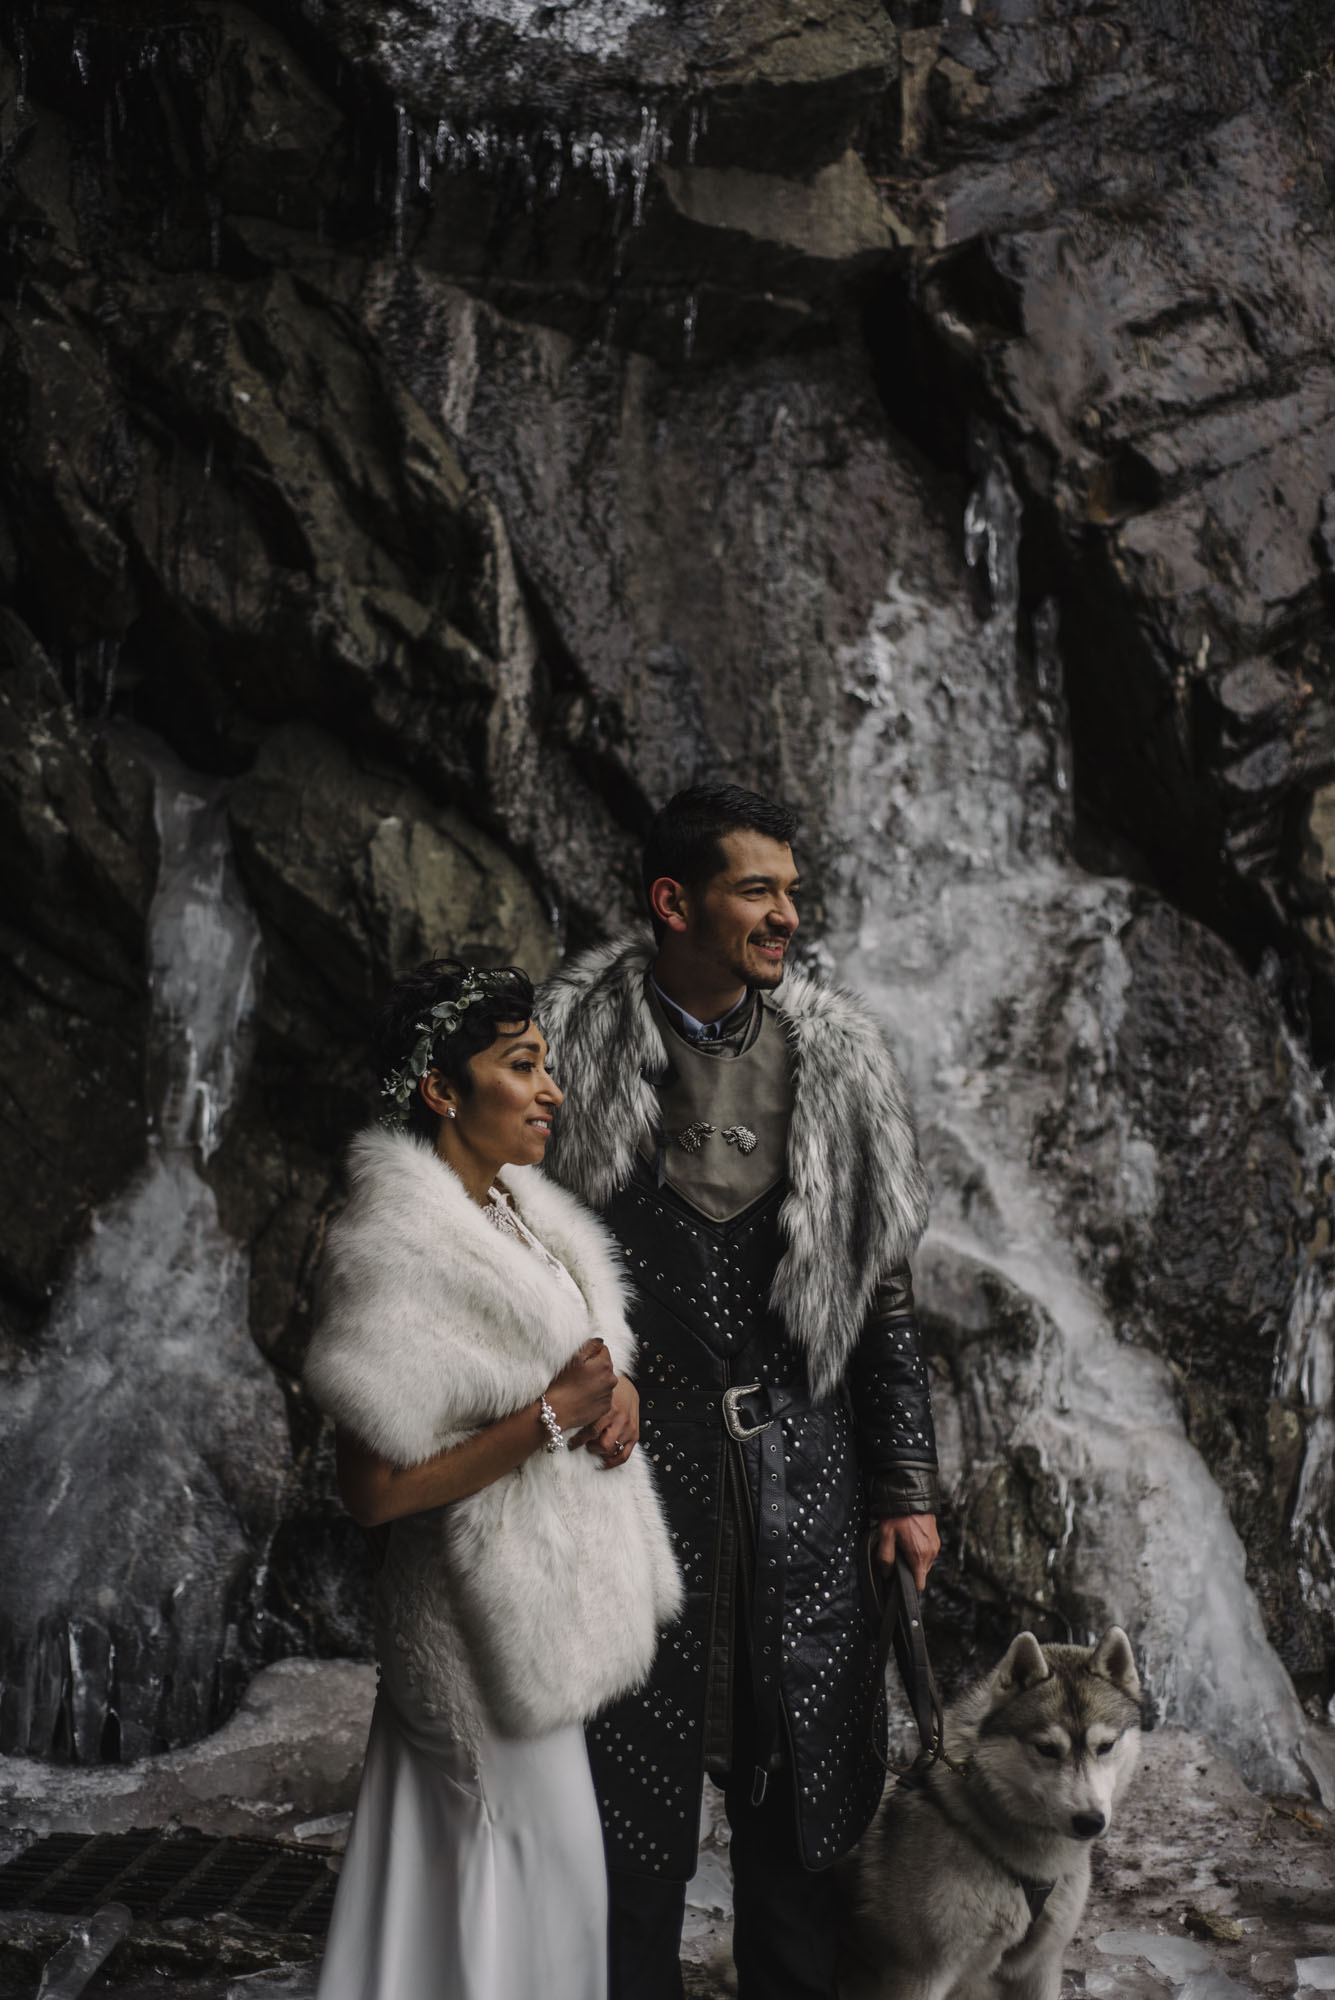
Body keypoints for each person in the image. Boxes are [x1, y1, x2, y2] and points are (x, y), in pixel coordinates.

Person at [537, 784, 941, 2000]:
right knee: (623, 1826)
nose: (787, 915)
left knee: (803, 1827)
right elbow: (512, 1264)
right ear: (675, 901)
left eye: (794, 891)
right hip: (624, 1496)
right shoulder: (561, 1055)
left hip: (807, 1493)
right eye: (759, 889)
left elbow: (879, 1288)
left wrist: (906, 1481)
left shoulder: (839, 1062)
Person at [304, 957, 682, 2000]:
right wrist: (551, 1418)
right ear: (441, 1087)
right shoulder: (397, 1241)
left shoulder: (520, 1212)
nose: (551, 1088)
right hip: (468, 1625)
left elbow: (574, 1360)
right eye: (521, 1064)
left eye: (546, 1064)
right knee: (526, 1871)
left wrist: (618, 1395)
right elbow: (374, 1488)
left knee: (485, 1878)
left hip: (535, 1609)